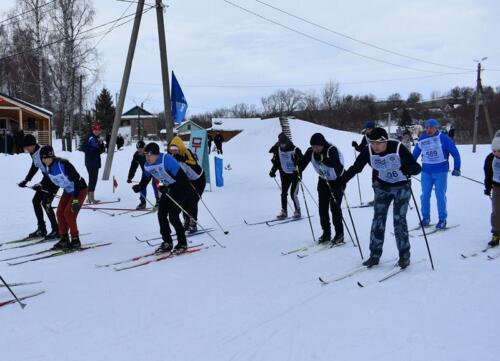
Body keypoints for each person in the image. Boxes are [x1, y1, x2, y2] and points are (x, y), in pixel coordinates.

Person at [340, 128, 422, 268]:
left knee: (399, 221)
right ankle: (374, 255)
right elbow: (356, 167)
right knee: (378, 221)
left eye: (378, 143)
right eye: (372, 143)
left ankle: (404, 256)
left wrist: (407, 169)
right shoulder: (369, 151)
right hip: (382, 187)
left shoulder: (397, 147)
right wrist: (342, 180)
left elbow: (416, 167)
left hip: (401, 187)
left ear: (385, 140)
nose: (375, 146)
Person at [132, 142, 191, 254]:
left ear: (157, 154)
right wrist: (140, 186)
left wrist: (169, 188)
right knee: (161, 214)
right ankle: (167, 242)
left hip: (181, 188)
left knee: (173, 216)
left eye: (150, 155)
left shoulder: (167, 160)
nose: (147, 158)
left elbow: (183, 180)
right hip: (168, 189)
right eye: (145, 155)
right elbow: (146, 178)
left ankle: (182, 243)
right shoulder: (147, 164)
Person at [412, 118, 461, 229]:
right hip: (426, 172)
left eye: (431, 127)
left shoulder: (444, 139)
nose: (428, 130)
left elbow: (455, 154)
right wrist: (409, 166)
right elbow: (415, 153)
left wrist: (457, 167)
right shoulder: (422, 138)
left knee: (440, 195)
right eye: (427, 127)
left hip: (440, 172)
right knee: (424, 195)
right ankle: (426, 218)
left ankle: (442, 219)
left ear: (436, 127)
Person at [299, 133, 345, 245]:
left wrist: (324, 159)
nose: (315, 149)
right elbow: (301, 165)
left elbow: (337, 165)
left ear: (323, 144)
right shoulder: (311, 152)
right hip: (323, 181)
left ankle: (339, 234)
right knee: (322, 208)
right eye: (313, 146)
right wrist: (296, 161)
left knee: (334, 208)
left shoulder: (331, 150)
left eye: (318, 146)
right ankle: (326, 233)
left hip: (337, 180)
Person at [39, 146, 88, 250]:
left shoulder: (63, 165)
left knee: (69, 214)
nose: (44, 160)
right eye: (42, 158)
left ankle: (75, 240)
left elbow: (76, 180)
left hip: (79, 190)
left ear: (51, 156)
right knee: (60, 213)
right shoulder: (49, 169)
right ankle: (64, 239)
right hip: (68, 191)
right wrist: (40, 186)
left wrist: (75, 199)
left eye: (46, 157)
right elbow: (52, 183)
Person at [18, 134, 59, 239]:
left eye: (28, 147)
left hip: (54, 179)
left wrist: (40, 184)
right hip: (47, 179)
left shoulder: (43, 151)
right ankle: (42, 229)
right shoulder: (33, 153)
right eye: (25, 147)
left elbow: (51, 170)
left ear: (33, 144)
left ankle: (56, 230)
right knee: (36, 200)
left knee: (46, 203)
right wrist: (26, 180)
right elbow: (34, 166)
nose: (26, 149)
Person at [168, 136, 206, 233]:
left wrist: (182, 158)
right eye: (172, 149)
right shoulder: (172, 158)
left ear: (180, 147)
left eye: (176, 149)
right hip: (186, 180)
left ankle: (193, 223)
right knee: (184, 200)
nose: (174, 151)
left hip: (198, 179)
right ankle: (186, 220)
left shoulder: (187, 152)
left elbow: (193, 162)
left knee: (192, 201)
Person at [269, 132, 302, 220]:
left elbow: (302, 162)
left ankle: (297, 211)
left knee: (293, 194)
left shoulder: (295, 149)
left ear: (287, 142)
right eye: (281, 144)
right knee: (283, 193)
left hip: (295, 175)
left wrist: (297, 162)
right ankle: (284, 211)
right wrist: (273, 171)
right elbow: (277, 163)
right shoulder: (278, 150)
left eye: (284, 144)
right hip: (284, 175)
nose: (282, 146)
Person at [127, 140, 160, 210]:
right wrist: (130, 177)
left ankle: (158, 201)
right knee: (142, 185)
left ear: (144, 148)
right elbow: (133, 166)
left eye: (141, 149)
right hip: (145, 172)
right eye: (138, 149)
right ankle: (142, 202)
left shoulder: (149, 153)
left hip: (154, 170)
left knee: (155, 183)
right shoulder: (136, 155)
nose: (139, 151)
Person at [81, 122, 105, 203]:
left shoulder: (97, 137)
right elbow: (83, 148)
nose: (97, 131)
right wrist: (95, 150)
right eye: (95, 129)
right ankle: (90, 198)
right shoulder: (89, 137)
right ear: (92, 129)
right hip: (91, 162)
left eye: (98, 130)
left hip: (95, 161)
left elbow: (101, 150)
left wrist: (101, 146)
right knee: (92, 179)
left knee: (94, 179)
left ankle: (90, 198)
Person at [484, 135, 500, 247]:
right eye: (494, 151)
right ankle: (496, 234)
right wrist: (488, 187)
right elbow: (488, 174)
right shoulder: (490, 158)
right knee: (496, 212)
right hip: (497, 187)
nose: (497, 153)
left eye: (499, 151)